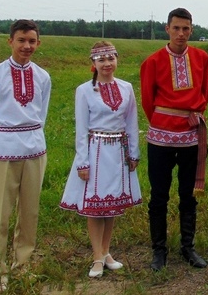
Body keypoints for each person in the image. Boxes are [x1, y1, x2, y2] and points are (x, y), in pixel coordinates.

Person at [0, 20, 51, 292]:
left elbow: (41, 115)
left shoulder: (43, 76)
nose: (26, 46)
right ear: (10, 42)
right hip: (2, 152)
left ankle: (23, 264)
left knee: (29, 213)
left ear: (38, 43)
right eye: (21, 40)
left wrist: (35, 140)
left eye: (31, 41)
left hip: (34, 151)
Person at [60, 41, 142, 277]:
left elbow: (131, 122)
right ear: (93, 64)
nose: (107, 64)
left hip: (118, 151)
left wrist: (133, 152)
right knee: (95, 207)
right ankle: (97, 257)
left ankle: (106, 252)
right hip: (96, 151)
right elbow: (81, 128)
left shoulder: (126, 88)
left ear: (117, 60)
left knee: (111, 205)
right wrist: (82, 161)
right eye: (101, 60)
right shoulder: (84, 90)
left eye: (111, 58)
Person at [140, 7, 208, 271]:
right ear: (167, 29)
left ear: (192, 30)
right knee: (159, 195)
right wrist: (163, 122)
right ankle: (159, 250)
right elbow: (148, 100)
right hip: (161, 136)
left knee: (188, 194)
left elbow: (205, 91)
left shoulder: (202, 58)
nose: (181, 33)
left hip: (191, 136)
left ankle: (188, 247)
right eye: (176, 28)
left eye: (186, 28)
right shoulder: (153, 61)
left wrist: (192, 117)